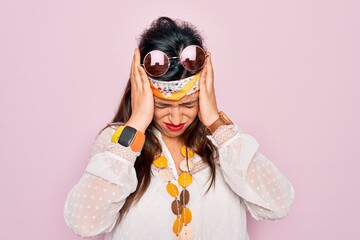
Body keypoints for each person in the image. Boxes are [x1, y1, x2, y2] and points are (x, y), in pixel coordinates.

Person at [64, 16, 294, 240]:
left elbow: (279, 204)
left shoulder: (226, 145)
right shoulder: (116, 146)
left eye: (188, 104)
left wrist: (215, 122)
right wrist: (137, 122)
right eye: (162, 105)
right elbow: (84, 223)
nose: (175, 117)